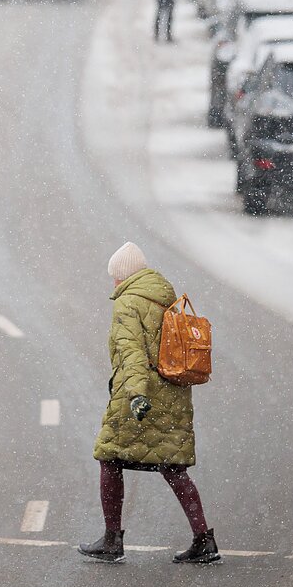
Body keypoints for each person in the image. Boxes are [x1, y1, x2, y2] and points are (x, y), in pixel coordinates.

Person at [78, 242, 219, 565]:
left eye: (115, 277)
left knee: (109, 457)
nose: (113, 283)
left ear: (123, 277)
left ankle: (112, 539)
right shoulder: (164, 297)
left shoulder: (127, 303)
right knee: (173, 466)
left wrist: (137, 394)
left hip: (139, 395)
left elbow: (132, 353)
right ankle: (203, 538)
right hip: (174, 391)